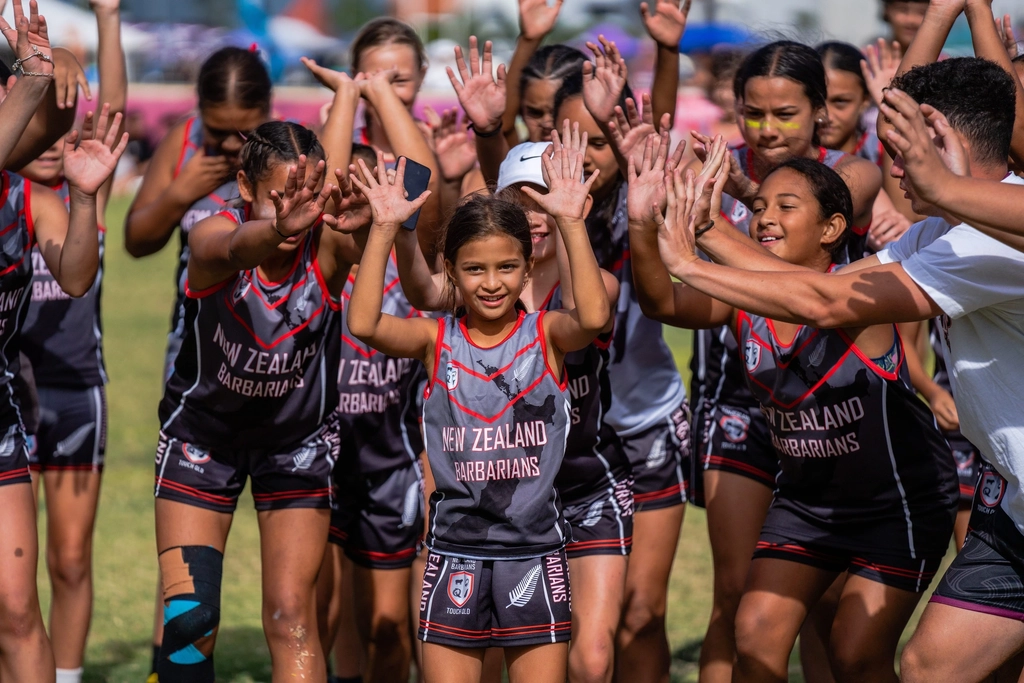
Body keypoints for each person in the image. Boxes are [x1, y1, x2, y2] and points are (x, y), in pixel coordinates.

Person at [654, 50, 1024, 681]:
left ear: (944, 141)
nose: (892, 170)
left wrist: (692, 261)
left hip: (928, 495)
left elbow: (823, 302)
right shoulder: (943, 231)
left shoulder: (987, 239)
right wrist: (707, 228)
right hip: (1012, 508)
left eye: (902, 150)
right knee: (932, 666)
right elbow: (820, 283)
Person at [637, 131, 957, 682]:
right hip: (806, 502)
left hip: (898, 501)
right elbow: (661, 300)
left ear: (833, 228)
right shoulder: (741, 301)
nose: (764, 217)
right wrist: (646, 224)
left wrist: (703, 237)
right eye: (757, 207)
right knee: (755, 635)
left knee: (856, 652)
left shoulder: (860, 293)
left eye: (786, 207)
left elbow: (813, 299)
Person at [346, 132, 609, 683]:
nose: (492, 284)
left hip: (535, 550)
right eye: (474, 270)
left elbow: (592, 317)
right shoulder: (434, 338)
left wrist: (570, 223)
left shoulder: (548, 335)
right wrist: (386, 229)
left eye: (507, 268)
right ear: (451, 270)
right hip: (453, 552)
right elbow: (364, 323)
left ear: (527, 261)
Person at [151, 119, 364, 682]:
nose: (297, 209)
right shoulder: (210, 235)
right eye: (280, 197)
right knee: (189, 620)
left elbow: (404, 261)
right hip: (203, 440)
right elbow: (234, 245)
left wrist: (382, 223)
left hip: (294, 444)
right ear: (245, 188)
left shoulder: (330, 245)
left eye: (309, 194)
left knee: (293, 618)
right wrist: (275, 231)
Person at [0, 2, 128, 680]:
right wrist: (38, 73)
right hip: (23, 390)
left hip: (37, 401)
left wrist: (83, 199)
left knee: (40, 588)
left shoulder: (38, 194)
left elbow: (77, 275)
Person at [817, 41, 911, 251]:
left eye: (840, 102)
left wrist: (891, 112)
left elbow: (904, 213)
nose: (826, 115)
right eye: (818, 101)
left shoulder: (881, 148)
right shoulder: (790, 153)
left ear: (864, 101)